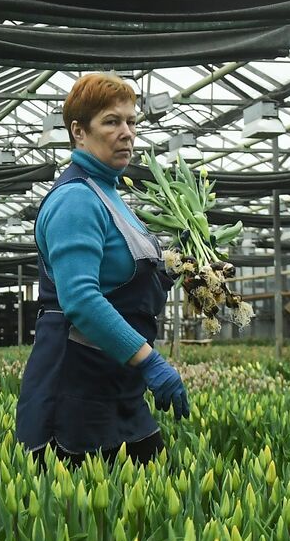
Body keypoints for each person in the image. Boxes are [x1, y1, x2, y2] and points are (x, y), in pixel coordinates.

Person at [15, 72, 189, 469]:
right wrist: (150, 362)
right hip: (76, 393)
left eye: (132, 121)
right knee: (80, 524)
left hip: (116, 386)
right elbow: (81, 300)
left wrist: (181, 268)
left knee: (141, 517)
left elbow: (125, 284)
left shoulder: (111, 195)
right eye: (112, 121)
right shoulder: (76, 198)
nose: (127, 132)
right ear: (79, 132)